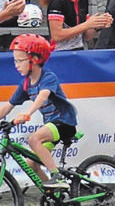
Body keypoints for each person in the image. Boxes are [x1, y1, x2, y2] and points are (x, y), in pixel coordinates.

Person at [0, 34, 76, 188]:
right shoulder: (26, 83)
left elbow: (43, 96)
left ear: (34, 59)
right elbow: (8, 106)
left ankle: (57, 177)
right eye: (15, 60)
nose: (16, 65)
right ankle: (54, 195)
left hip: (64, 123)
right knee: (31, 164)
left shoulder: (48, 77)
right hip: (51, 126)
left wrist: (27, 113)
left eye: (20, 60)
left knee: (34, 139)